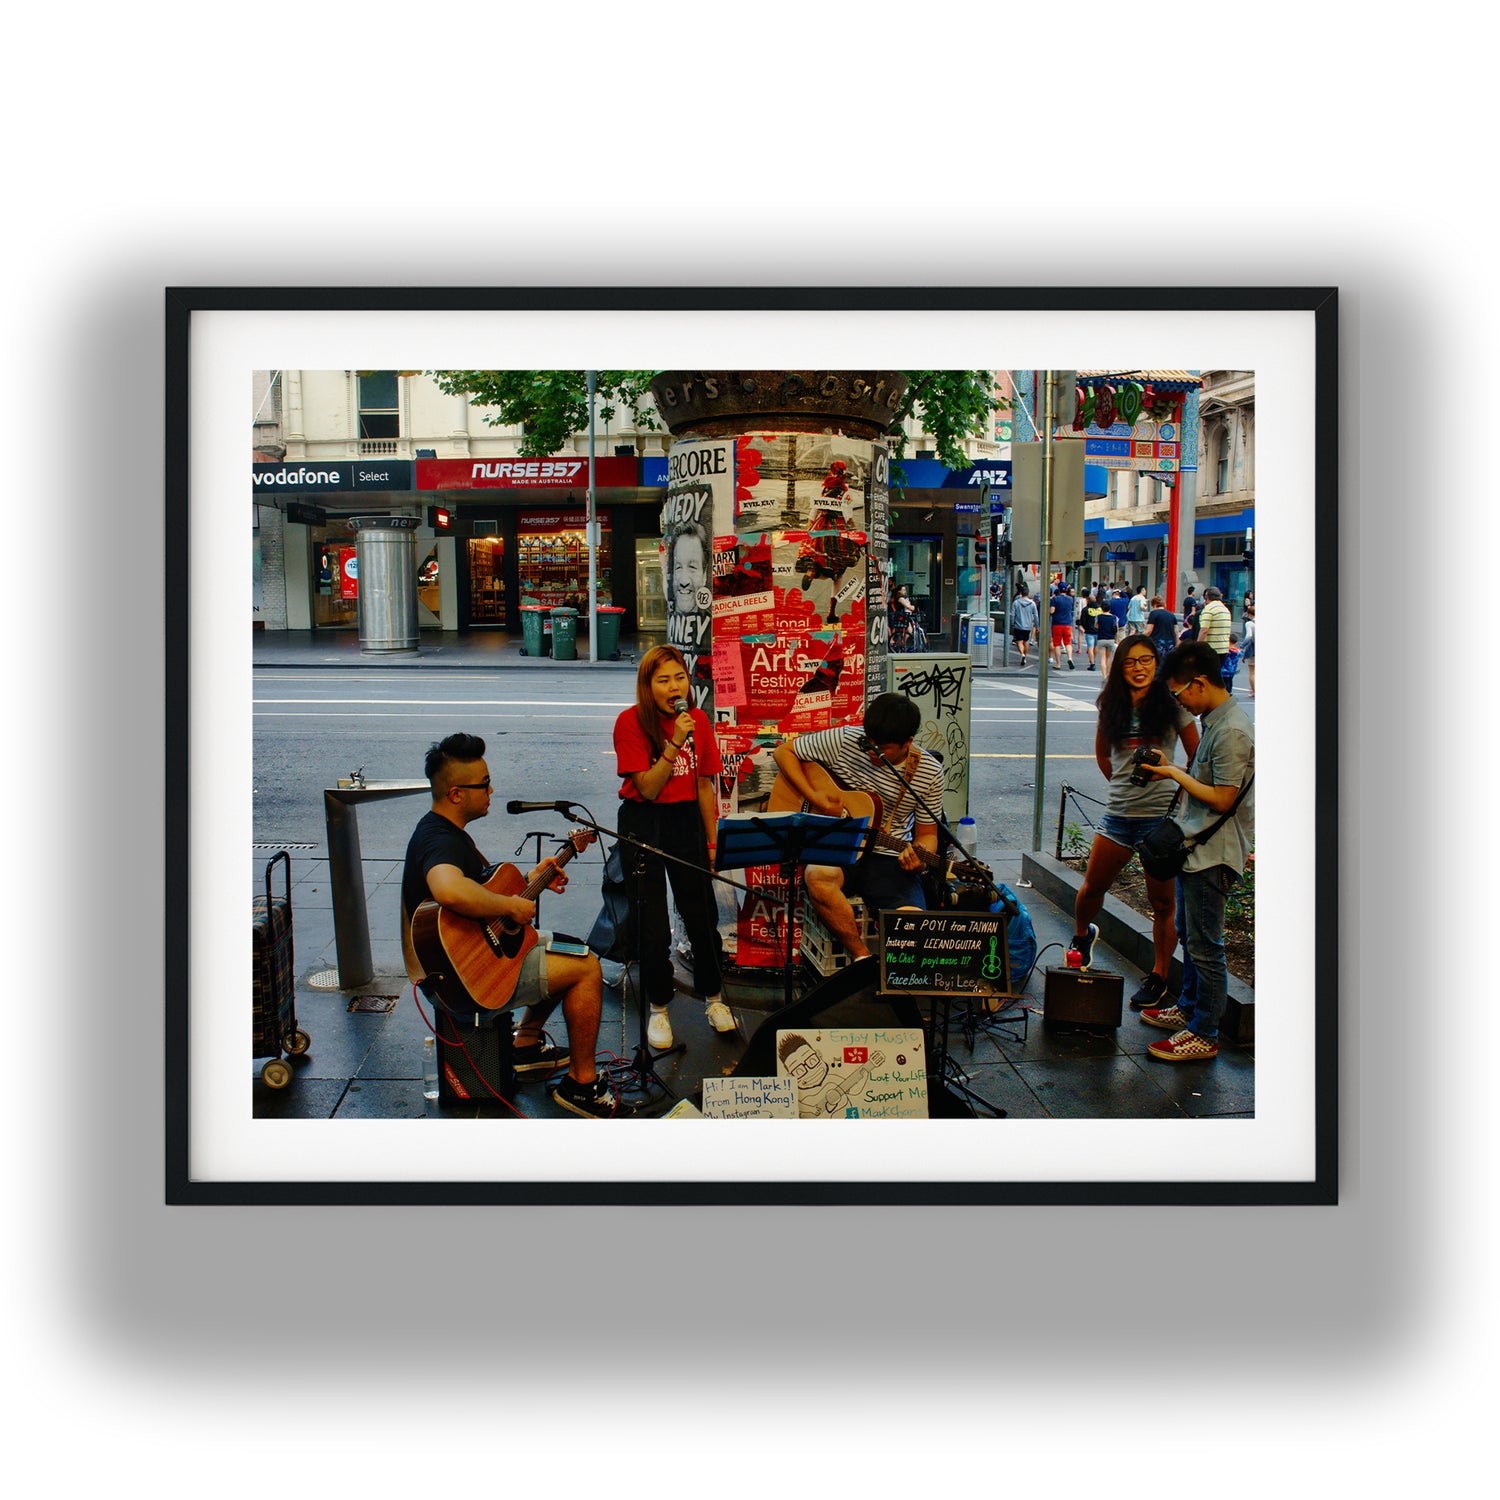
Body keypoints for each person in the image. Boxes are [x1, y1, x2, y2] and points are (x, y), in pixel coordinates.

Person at [401, 733, 612, 1119]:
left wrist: (532, 879)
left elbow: (480, 888)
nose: (491, 789)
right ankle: (582, 1087)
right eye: (483, 784)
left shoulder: (442, 832)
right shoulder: (440, 841)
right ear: (455, 794)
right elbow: (448, 888)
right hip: (467, 977)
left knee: (561, 944)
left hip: (465, 962)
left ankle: (526, 1045)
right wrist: (510, 905)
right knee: (586, 968)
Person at [1136, 641, 1255, 1062]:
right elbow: (1209, 785)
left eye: (1179, 692)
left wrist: (1172, 772)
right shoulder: (1215, 723)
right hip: (1197, 850)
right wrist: (1174, 769)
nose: (1179, 701)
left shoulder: (1232, 731)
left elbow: (1222, 798)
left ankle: (1204, 1033)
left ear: (1199, 684)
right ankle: (1188, 1010)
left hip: (1214, 854)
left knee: (1206, 947)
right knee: (1190, 936)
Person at [1066, 640, 1200, 1010]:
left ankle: (1158, 975)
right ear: (1119, 666)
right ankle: (1081, 936)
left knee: (1162, 901)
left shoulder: (1174, 706)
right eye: (1130, 661)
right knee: (1092, 887)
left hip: (1162, 820)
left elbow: (1197, 759)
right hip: (1119, 817)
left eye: (1146, 660)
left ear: (1157, 664)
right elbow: (1104, 759)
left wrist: (1172, 784)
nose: (1139, 667)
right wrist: (1126, 787)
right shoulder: (1111, 706)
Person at [613, 644, 733, 1050]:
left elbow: (704, 785)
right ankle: (659, 1008)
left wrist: (712, 843)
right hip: (643, 820)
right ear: (648, 687)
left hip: (685, 821)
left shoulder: (698, 720)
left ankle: (714, 999)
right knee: (651, 921)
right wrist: (674, 743)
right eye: (663, 680)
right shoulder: (630, 723)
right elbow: (646, 787)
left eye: (679, 677)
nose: (674, 686)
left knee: (701, 912)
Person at [771, 692, 944, 961]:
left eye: (882, 747)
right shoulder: (847, 740)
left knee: (913, 927)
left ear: (907, 742)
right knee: (816, 877)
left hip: (889, 858)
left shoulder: (928, 772)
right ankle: (861, 959)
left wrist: (920, 857)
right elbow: (784, 752)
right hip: (839, 846)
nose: (871, 750)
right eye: (869, 742)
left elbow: (928, 834)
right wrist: (815, 797)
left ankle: (895, 984)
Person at [1197, 584, 1232, 671]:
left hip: (1211, 649)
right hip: (1223, 648)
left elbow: (1204, 630)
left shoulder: (1209, 609)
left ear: (1207, 597)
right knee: (1215, 675)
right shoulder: (1225, 609)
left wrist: (1197, 646)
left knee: (1206, 676)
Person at [1089, 588, 1119, 674]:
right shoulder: (1114, 618)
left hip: (1101, 639)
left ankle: (1104, 676)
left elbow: (1096, 626)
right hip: (1110, 639)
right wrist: (1116, 639)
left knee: (1102, 659)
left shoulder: (1099, 617)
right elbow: (1116, 630)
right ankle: (1108, 674)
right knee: (1108, 658)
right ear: (1110, 608)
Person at [1009, 582, 1039, 666]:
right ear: (1028, 593)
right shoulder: (1032, 603)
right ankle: (1025, 655)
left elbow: (1012, 614)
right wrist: (1037, 626)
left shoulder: (1016, 603)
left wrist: (1012, 623)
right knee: (1026, 641)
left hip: (1018, 625)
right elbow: (1036, 615)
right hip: (1028, 626)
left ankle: (1022, 654)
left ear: (1021, 593)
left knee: (1019, 641)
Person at [1049, 581, 1076, 669]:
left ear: (1058, 590)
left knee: (1057, 644)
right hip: (1068, 623)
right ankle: (1070, 658)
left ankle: (1058, 664)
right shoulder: (1070, 599)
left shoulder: (1055, 599)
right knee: (1068, 643)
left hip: (1057, 624)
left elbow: (1052, 611)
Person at [889, 584, 919, 653]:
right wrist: (913, 607)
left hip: (904, 616)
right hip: (902, 617)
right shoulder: (900, 599)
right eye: (903, 590)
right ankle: (901, 642)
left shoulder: (903, 598)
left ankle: (901, 641)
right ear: (899, 591)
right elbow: (908, 606)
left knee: (909, 631)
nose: (905, 591)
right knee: (909, 630)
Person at [1241, 603, 1256, 697]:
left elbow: (1249, 636)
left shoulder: (1249, 623)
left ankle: (1255, 691)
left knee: (1252, 671)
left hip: (1253, 650)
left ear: (1250, 615)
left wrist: (1242, 646)